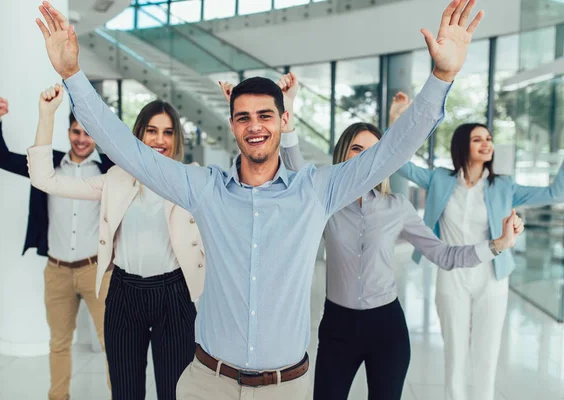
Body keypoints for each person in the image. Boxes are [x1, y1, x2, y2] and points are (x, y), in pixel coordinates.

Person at [35, 1, 483, 397]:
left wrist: (442, 77)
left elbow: (390, 151)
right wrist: (73, 75)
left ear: (283, 120)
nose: (255, 126)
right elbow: (126, 149)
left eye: (265, 115)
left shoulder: (316, 190)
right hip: (207, 382)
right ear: (232, 126)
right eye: (244, 117)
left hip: (283, 387)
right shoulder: (204, 189)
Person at [242, 73, 523, 400]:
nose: (364, 158)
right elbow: (294, 168)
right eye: (356, 149)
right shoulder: (324, 203)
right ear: (343, 154)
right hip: (337, 328)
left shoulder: (397, 208)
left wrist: (498, 245)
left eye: (373, 152)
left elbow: (445, 255)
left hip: (387, 329)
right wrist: (287, 110)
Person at [27, 84, 205, 399]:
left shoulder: (190, 179)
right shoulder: (115, 179)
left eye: (167, 132)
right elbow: (45, 180)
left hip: (174, 296)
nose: (159, 140)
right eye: (151, 130)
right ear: (138, 134)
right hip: (123, 294)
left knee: (174, 391)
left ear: (177, 137)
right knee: (124, 391)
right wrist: (46, 115)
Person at [391, 95, 564, 400]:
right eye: (477, 139)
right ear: (462, 145)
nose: (487, 144)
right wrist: (396, 119)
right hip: (452, 273)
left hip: (492, 275)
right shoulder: (440, 179)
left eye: (489, 138)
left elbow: (555, 192)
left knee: (486, 355)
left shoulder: (505, 186)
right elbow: (399, 163)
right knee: (455, 352)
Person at [0, 96, 113, 400]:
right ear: (68, 133)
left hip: (97, 271)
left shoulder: (111, 170)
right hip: (57, 272)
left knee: (113, 345)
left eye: (88, 133)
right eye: (76, 132)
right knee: (59, 343)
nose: (81, 139)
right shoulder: (46, 164)